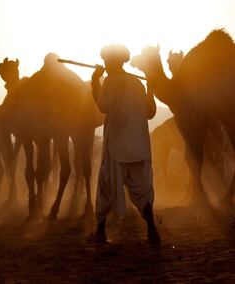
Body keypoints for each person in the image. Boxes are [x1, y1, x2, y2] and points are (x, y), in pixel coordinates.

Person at [91, 44, 160, 244]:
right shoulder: (138, 84)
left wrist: (95, 83)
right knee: (141, 190)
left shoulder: (111, 81)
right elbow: (150, 113)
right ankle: (152, 229)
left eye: (106, 61)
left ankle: (100, 232)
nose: (104, 63)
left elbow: (103, 106)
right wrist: (150, 89)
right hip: (139, 146)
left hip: (117, 147)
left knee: (106, 185)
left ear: (113, 62)